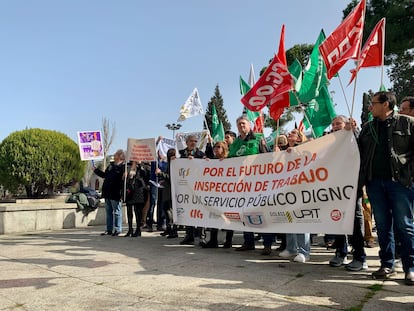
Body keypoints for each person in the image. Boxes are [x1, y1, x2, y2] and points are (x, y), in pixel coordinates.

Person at [356, 91, 414, 285]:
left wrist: (408, 174)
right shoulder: (367, 128)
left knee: (404, 225)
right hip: (374, 184)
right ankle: (387, 264)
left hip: (400, 184)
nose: (369, 107)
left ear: (386, 104)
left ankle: (410, 268)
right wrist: (349, 132)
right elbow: (356, 152)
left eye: (373, 103)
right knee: (382, 226)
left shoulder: (407, 123)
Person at [327, 115, 368, 271]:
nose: (336, 126)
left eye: (339, 124)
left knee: (354, 222)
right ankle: (341, 252)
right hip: (334, 187)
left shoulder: (353, 135)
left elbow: (361, 149)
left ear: (346, 124)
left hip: (352, 185)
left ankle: (360, 257)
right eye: (334, 125)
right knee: (336, 219)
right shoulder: (329, 141)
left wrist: (353, 130)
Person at [228, 115, 269, 251]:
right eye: (239, 124)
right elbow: (229, 160)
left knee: (262, 212)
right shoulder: (234, 143)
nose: (241, 126)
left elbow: (267, 158)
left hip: (258, 184)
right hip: (241, 185)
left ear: (249, 125)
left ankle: (267, 244)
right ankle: (248, 242)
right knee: (244, 213)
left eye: (243, 123)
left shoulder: (258, 138)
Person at [278, 129, 311, 262]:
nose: (289, 134)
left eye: (293, 133)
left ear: (298, 138)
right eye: (289, 133)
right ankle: (291, 248)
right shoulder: (284, 151)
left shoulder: (304, 149)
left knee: (301, 219)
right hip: (287, 189)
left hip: (301, 188)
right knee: (289, 219)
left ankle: (304, 251)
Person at [202, 140, 233, 248]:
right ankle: (213, 240)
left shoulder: (230, 161)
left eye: (219, 147)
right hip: (215, 193)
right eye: (215, 146)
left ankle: (228, 241)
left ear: (224, 149)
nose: (216, 148)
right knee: (214, 216)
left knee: (228, 217)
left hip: (227, 194)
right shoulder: (212, 161)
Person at [179, 135, 206, 245]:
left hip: (199, 187)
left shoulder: (200, 154)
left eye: (195, 141)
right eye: (191, 141)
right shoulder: (180, 154)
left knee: (200, 212)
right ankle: (189, 235)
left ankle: (201, 236)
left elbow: (205, 166)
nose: (193, 143)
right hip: (186, 188)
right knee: (187, 211)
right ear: (186, 142)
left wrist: (196, 161)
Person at [93, 149, 126, 236]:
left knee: (117, 211)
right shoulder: (111, 166)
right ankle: (109, 229)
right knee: (108, 212)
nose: (114, 156)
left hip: (115, 193)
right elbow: (105, 175)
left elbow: (124, 181)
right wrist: (96, 170)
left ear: (120, 157)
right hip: (107, 192)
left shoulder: (123, 167)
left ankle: (118, 229)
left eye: (115, 155)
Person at [156, 148, 178, 239]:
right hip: (166, 189)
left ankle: (174, 229)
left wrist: (161, 173)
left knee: (170, 211)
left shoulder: (174, 164)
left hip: (171, 191)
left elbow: (171, 177)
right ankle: (169, 228)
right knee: (166, 209)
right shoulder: (169, 164)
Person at [124, 161, 147, 237]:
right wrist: (124, 176)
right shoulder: (127, 166)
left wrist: (140, 165)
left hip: (138, 191)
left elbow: (145, 174)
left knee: (138, 211)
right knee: (129, 211)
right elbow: (124, 179)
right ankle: (130, 229)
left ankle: (138, 229)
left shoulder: (142, 166)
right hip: (129, 191)